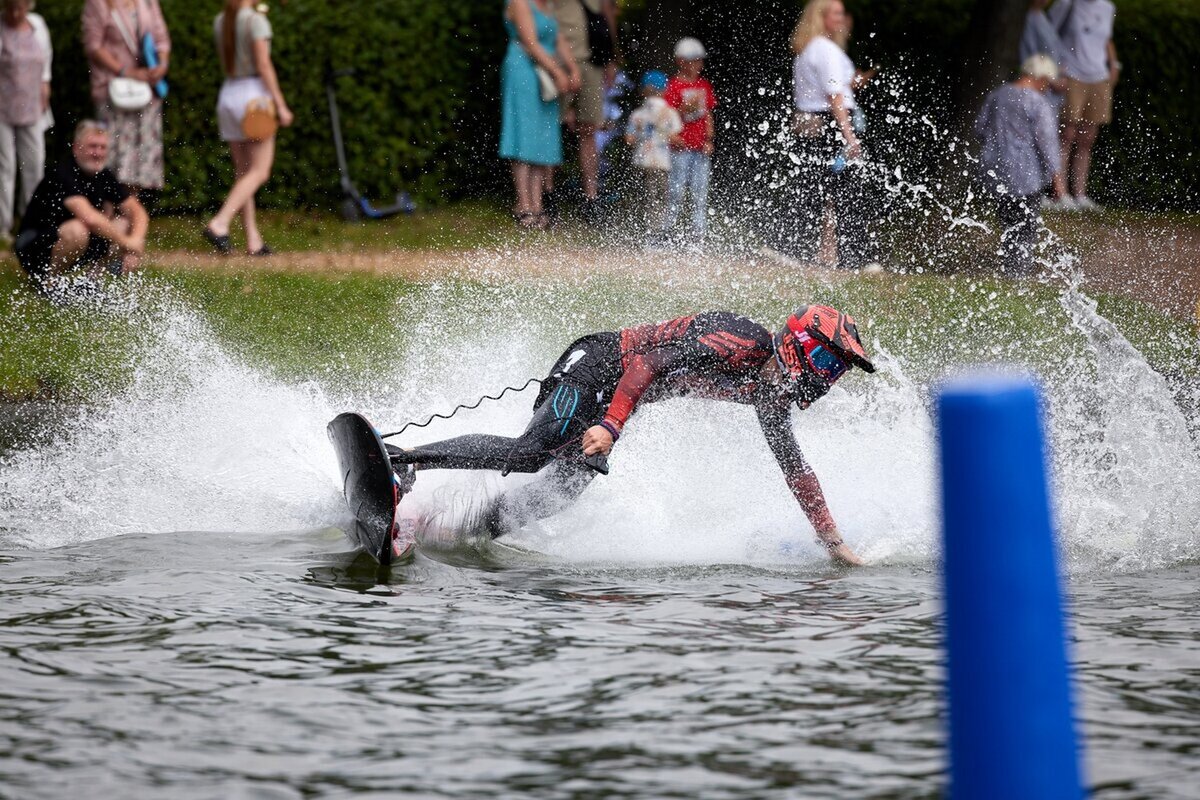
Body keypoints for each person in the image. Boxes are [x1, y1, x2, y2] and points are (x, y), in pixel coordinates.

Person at [387, 306, 875, 566]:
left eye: (839, 370)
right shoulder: (740, 340)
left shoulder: (768, 394)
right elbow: (646, 362)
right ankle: (402, 458)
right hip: (596, 365)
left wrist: (833, 543)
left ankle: (451, 530)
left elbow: (795, 467)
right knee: (531, 454)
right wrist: (611, 425)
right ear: (800, 344)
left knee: (563, 491)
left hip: (613, 400)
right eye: (830, 361)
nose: (830, 377)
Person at [785, 0, 879, 271]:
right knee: (850, 193)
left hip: (813, 124)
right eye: (836, 13)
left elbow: (839, 87)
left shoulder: (810, 48)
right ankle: (854, 258)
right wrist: (849, 136)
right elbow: (835, 96)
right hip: (830, 125)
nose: (842, 18)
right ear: (822, 16)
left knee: (810, 189)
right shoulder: (825, 49)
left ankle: (795, 248)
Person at [12, 120, 149, 296]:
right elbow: (89, 217)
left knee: (122, 223)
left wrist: (135, 244)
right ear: (77, 148)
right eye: (93, 146)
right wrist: (127, 243)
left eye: (102, 147)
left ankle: (90, 283)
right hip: (33, 245)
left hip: (73, 242)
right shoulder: (63, 173)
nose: (97, 153)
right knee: (79, 229)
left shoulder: (103, 175)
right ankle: (49, 284)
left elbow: (137, 211)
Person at [201, 0, 293, 256]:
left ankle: (253, 240)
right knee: (260, 172)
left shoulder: (221, 20)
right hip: (253, 97)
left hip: (229, 94)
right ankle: (220, 223)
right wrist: (281, 104)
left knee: (243, 173)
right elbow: (263, 65)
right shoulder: (256, 20)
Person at [974, 55, 1066, 275]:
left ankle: (1011, 266)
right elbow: (1047, 144)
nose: (1047, 88)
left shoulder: (998, 95)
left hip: (996, 170)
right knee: (1025, 226)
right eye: (1047, 82)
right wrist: (1058, 180)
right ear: (1042, 78)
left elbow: (980, 129)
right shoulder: (1037, 102)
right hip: (1026, 174)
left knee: (1008, 222)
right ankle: (1018, 273)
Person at [500, 0, 579, 230]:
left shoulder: (548, 5)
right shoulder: (520, 2)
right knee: (523, 134)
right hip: (523, 70)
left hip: (546, 72)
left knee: (542, 137)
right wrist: (557, 72)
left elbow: (558, 38)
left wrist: (572, 69)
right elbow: (531, 43)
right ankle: (523, 204)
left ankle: (537, 205)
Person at [81, 0, 171, 195]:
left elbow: (161, 38)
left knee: (140, 158)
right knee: (113, 156)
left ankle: (131, 212)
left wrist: (161, 65)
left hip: (146, 90)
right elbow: (93, 46)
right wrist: (125, 71)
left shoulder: (147, 2)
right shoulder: (99, 3)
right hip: (114, 91)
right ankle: (109, 213)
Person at [549, 0, 619, 221]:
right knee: (551, 128)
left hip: (593, 60)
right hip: (561, 60)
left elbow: (607, 14)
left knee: (589, 128)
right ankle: (547, 194)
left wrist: (611, 57)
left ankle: (591, 197)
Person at [1047, 0, 1118, 210]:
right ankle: (1059, 193)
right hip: (1072, 75)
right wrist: (1057, 69)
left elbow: (1106, 40)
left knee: (1087, 137)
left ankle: (1080, 194)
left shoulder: (1107, 8)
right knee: (1066, 135)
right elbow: (1049, 35)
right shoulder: (1067, 4)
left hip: (1098, 77)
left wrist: (1114, 64)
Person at [0, 0, 52, 246]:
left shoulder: (38, 25)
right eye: (10, 8)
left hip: (32, 106)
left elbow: (45, 63)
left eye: (19, 8)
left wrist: (45, 86)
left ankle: (32, 222)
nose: (15, 13)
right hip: (2, 108)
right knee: (4, 168)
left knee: (34, 164)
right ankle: (3, 227)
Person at [655, 37, 716, 247]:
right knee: (675, 192)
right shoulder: (673, 86)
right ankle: (667, 231)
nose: (699, 65)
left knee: (700, 193)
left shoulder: (703, 85)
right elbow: (665, 116)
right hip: (679, 150)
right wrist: (672, 136)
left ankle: (698, 235)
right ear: (682, 61)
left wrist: (709, 138)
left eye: (700, 61)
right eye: (695, 61)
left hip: (699, 149)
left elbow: (707, 114)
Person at [624, 70, 680, 237]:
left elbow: (629, 139)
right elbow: (674, 136)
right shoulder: (669, 113)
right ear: (664, 90)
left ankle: (640, 230)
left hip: (641, 160)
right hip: (661, 162)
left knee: (644, 196)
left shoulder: (638, 114)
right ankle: (656, 232)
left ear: (643, 90)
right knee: (661, 198)